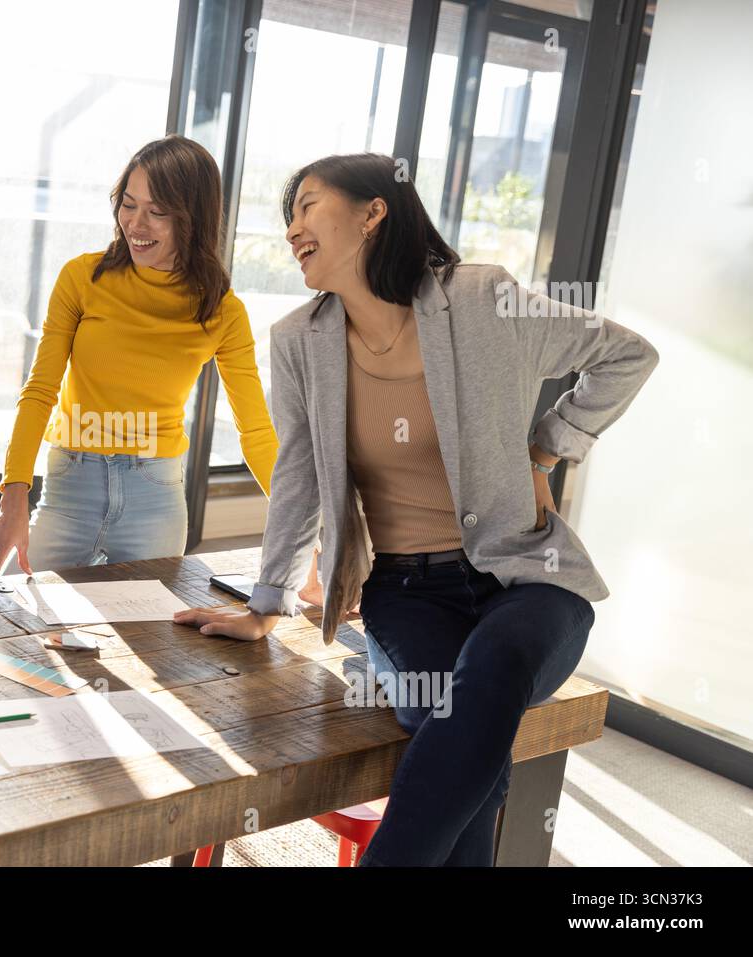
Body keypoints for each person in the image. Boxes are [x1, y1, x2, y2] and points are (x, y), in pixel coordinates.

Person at [174, 153, 659, 865]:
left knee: (487, 671)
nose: (291, 229)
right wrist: (266, 601)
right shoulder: (298, 343)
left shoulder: (484, 299)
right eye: (288, 216)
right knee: (455, 719)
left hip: (528, 580)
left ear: (375, 212)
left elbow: (627, 354)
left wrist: (546, 450)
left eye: (307, 206)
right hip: (407, 592)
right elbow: (300, 476)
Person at [0, 135, 282, 585]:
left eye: (157, 212)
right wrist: (12, 501)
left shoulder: (221, 311)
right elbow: (39, 392)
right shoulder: (82, 278)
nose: (136, 223)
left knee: (151, 646)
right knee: (23, 630)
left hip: (153, 499)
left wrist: (301, 531)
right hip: (68, 489)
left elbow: (255, 432)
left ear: (193, 219)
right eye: (128, 204)